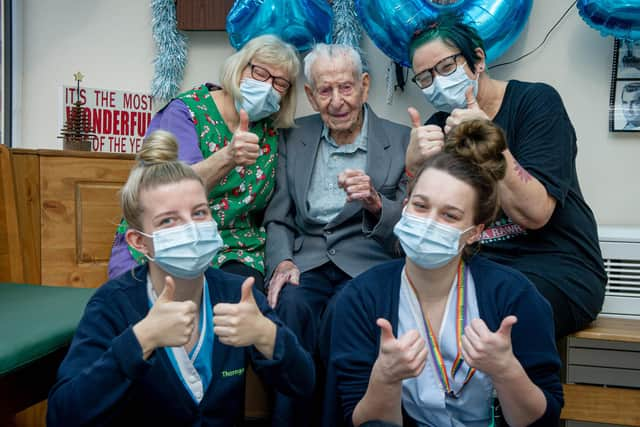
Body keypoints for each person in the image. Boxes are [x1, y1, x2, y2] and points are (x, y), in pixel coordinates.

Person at [47, 131, 314, 427]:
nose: (190, 228)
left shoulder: (236, 294)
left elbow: (303, 384)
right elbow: (63, 415)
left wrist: (266, 335)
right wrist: (142, 339)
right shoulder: (113, 304)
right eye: (168, 220)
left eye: (199, 213)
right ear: (139, 242)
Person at [330, 120, 563, 427]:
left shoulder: (514, 296)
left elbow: (541, 419)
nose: (429, 223)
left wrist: (506, 370)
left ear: (475, 232)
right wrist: (385, 378)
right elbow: (360, 420)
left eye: (450, 215)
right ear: (405, 206)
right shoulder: (360, 298)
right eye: (421, 206)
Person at [404, 14, 606, 338]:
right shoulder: (437, 127)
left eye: (445, 68)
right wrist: (412, 167)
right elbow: (426, 228)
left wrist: (489, 142)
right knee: (393, 306)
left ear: (478, 59)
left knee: (497, 314)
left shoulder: (536, 102)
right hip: (477, 266)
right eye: (425, 78)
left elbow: (536, 214)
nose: (437, 82)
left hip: (557, 267)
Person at [263, 43, 410, 425]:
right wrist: (281, 261)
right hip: (307, 261)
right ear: (310, 95)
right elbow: (279, 216)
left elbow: (411, 226)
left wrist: (377, 203)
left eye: (346, 88)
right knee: (289, 308)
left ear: (364, 86)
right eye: (324, 91)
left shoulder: (401, 141)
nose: (337, 101)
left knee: (345, 312)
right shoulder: (294, 137)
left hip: (367, 265)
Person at [108, 34, 301, 293]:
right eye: (260, 72)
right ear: (238, 67)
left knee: (242, 307)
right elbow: (173, 192)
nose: (267, 86)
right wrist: (228, 157)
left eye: (280, 83)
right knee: (140, 305)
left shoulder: (272, 133)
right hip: (169, 236)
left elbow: (278, 209)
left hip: (234, 247)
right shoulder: (186, 112)